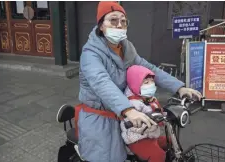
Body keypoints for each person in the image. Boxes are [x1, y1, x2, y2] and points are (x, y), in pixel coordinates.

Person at [77, 1, 202, 162]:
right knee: (109, 157)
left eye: (123, 21)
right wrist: (129, 110)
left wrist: (179, 87)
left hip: (123, 113)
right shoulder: (90, 54)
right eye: (113, 20)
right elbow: (102, 83)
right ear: (101, 25)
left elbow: (150, 69)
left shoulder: (126, 48)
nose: (119, 25)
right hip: (100, 119)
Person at [120, 65, 167, 162]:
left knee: (169, 142)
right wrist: (151, 123)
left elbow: (158, 111)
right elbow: (133, 125)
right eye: (146, 82)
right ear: (135, 84)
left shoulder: (149, 98)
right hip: (137, 139)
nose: (151, 85)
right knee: (158, 156)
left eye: (152, 81)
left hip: (150, 135)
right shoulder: (131, 104)